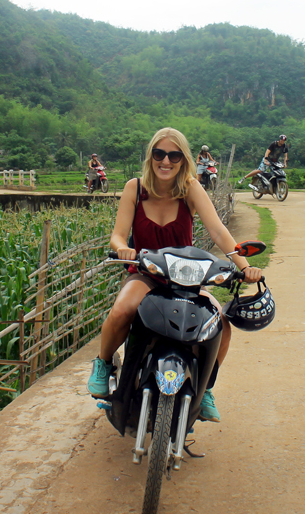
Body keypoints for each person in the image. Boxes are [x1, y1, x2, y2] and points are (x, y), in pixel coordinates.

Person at [87, 128, 263, 422]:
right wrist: (124, 249)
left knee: (221, 324)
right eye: (159, 154)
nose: (165, 161)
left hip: (186, 278)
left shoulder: (191, 188)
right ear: (151, 156)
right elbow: (118, 235)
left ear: (184, 160)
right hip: (146, 273)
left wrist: (244, 267)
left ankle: (205, 388)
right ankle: (103, 364)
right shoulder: (135, 188)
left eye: (174, 155)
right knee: (122, 310)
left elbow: (218, 231)